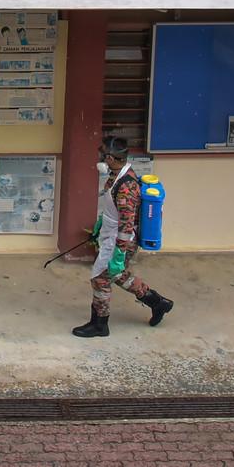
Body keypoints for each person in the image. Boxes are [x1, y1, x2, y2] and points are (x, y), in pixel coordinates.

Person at [73, 136, 174, 337]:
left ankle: (100, 324)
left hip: (120, 240)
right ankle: (158, 303)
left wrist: (119, 253)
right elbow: (112, 210)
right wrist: (101, 224)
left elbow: (126, 225)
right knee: (117, 275)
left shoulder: (126, 186)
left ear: (110, 158)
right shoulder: (116, 176)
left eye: (102, 154)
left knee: (101, 279)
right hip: (110, 234)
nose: (99, 157)